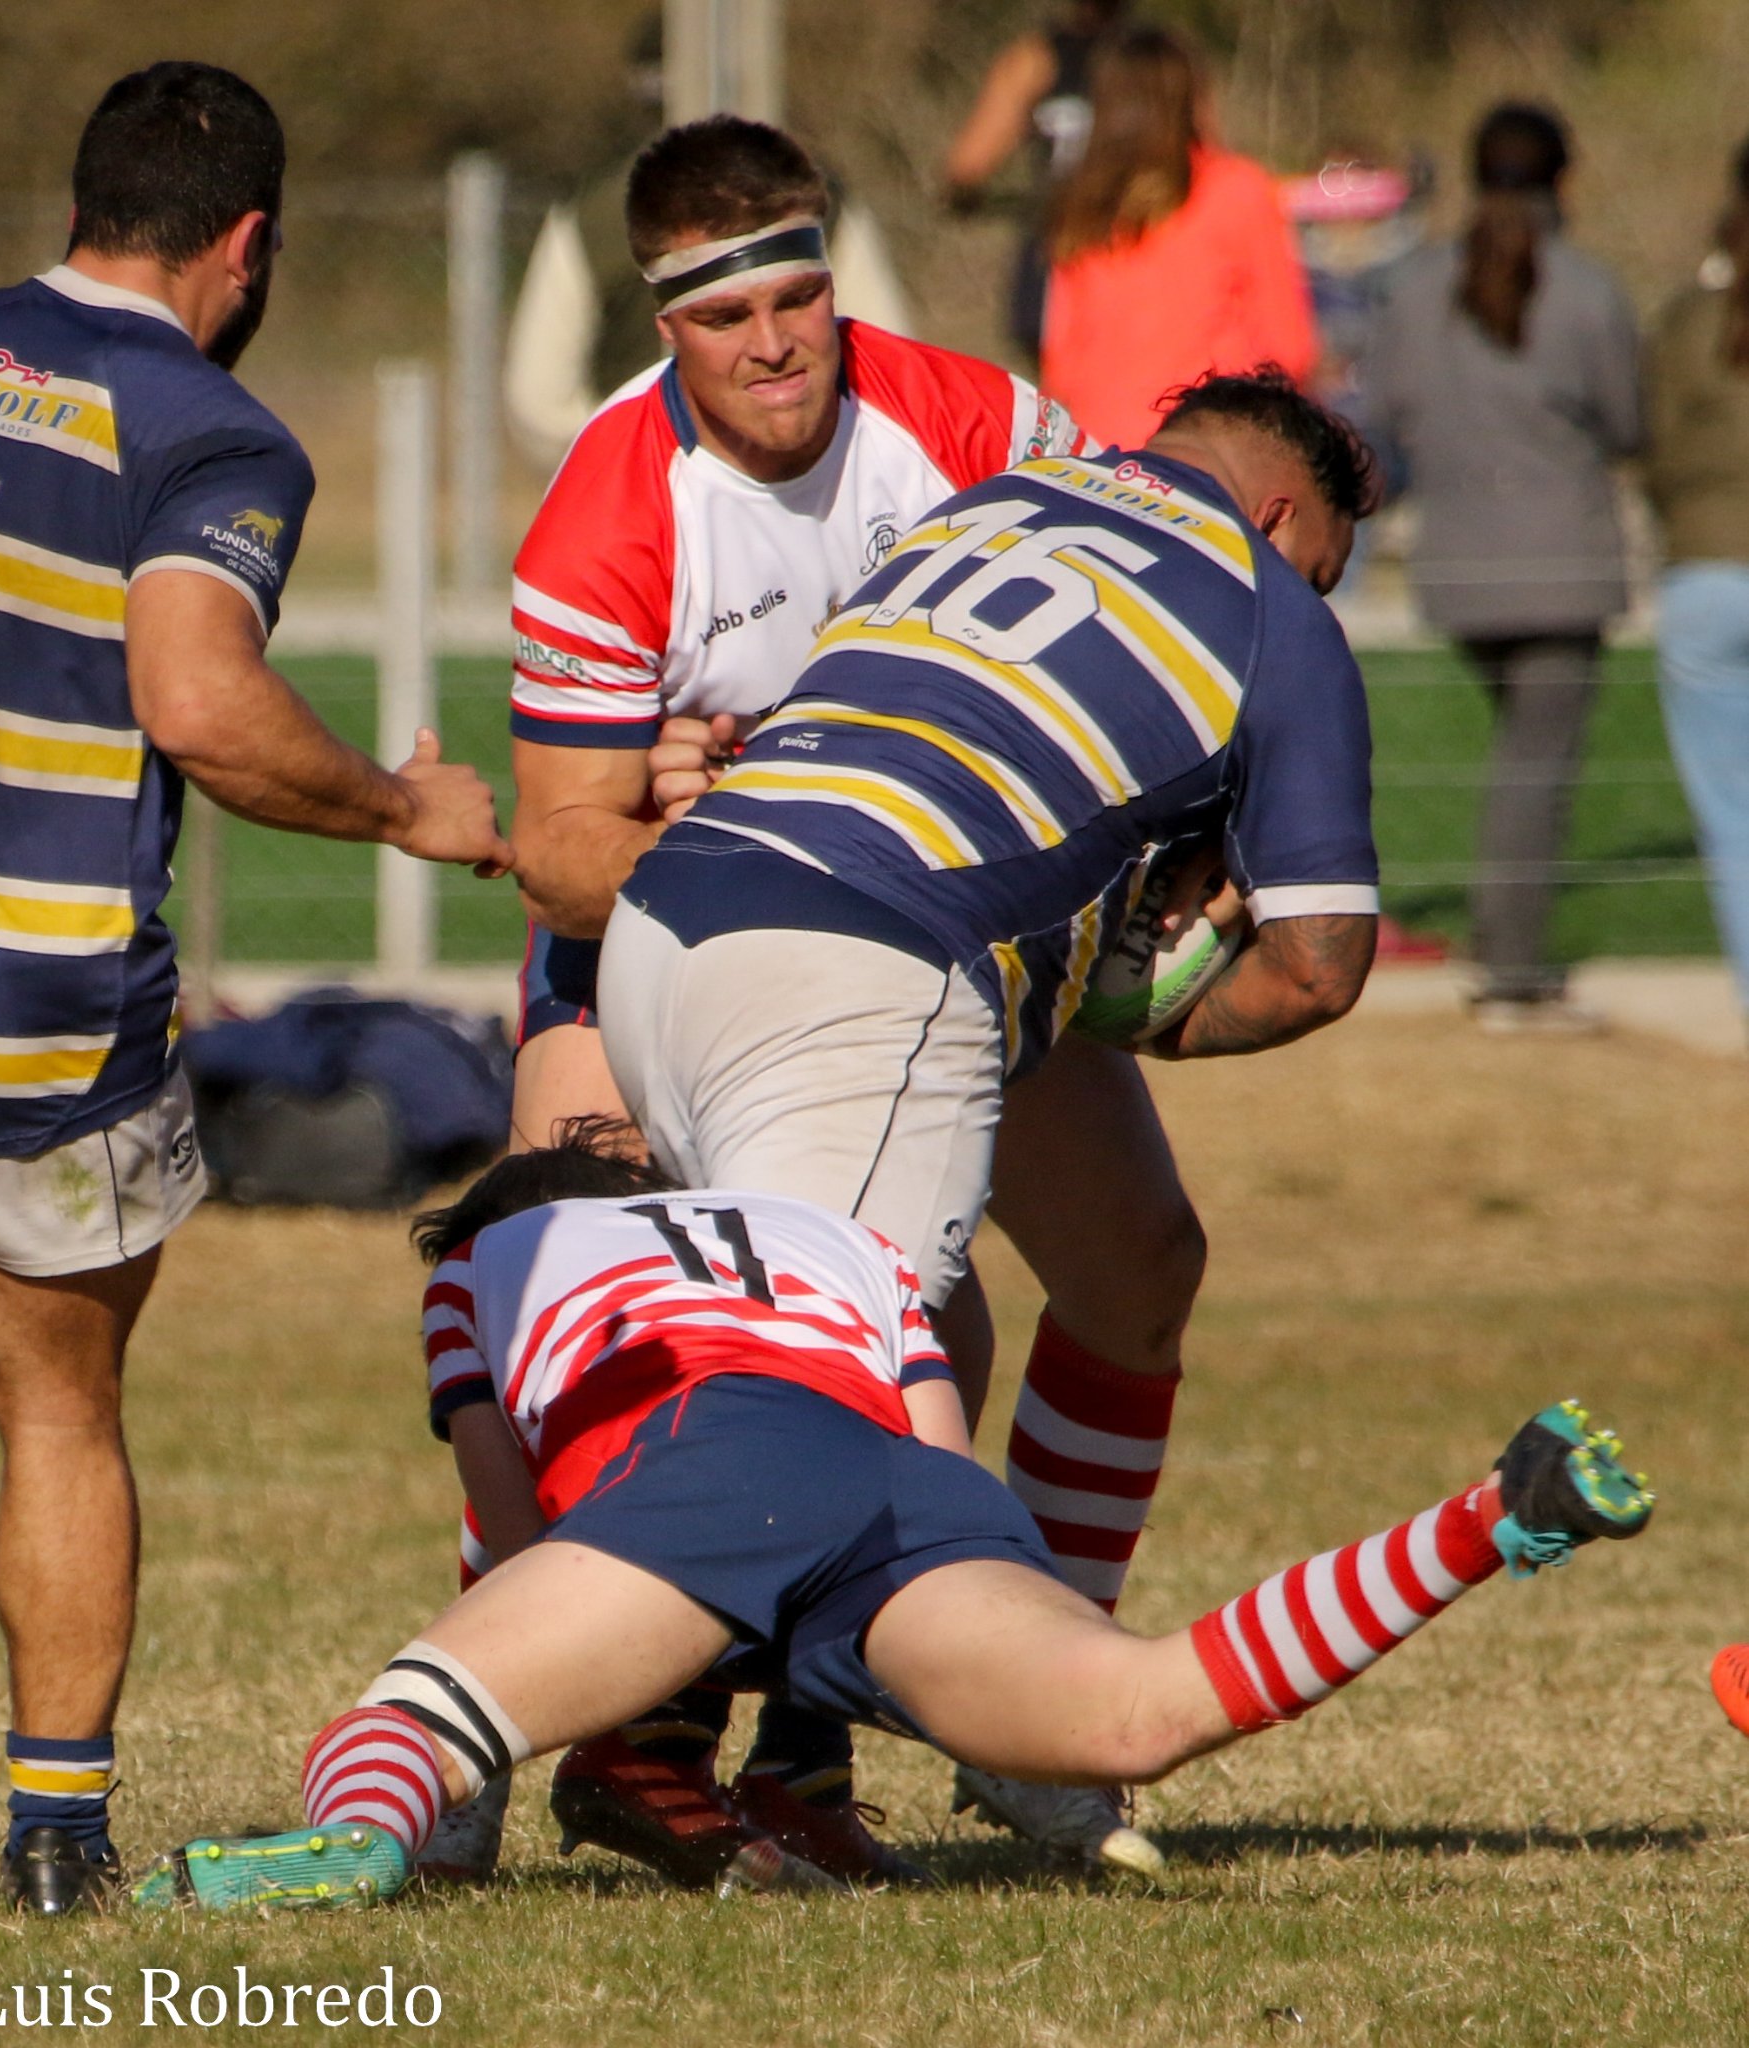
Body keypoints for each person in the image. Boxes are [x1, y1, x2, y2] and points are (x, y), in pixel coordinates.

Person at [131, 1127, 1657, 1914]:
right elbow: (938, 1457)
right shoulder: (837, 1240)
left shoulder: (491, 1263)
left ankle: (356, 1835)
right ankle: (1485, 1518)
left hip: (698, 1458)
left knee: (420, 1708)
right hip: (909, 1489)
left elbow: (509, 1516)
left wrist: (527, 1704)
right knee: (1137, 1707)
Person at [598, 367, 1383, 1852]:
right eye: (1324, 568)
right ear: (1282, 517)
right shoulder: (1268, 600)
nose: (1316, 593)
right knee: (835, 1402)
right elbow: (1317, 964)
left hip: (681, 923)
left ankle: (1009, 1708)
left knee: (1130, 1263)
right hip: (873, 962)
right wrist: (1136, 1004)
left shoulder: (982, 509)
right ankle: (644, 1738)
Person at [496, 110, 1103, 1889]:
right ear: (658, 324)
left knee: (1122, 1269)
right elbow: (557, 855)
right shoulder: (613, 505)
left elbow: (1137, 605)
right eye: (718, 314)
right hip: (649, 959)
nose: (771, 341)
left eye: (796, 293)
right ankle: (542, 1729)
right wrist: (721, 817)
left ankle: (966, 1708)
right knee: (560, 1312)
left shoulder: (981, 425)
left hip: (948, 938)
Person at [0, 62, 511, 1916]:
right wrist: (405, 805)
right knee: (54, 1413)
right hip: (32, 996)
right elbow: (198, 702)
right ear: (250, 246)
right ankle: (51, 1837)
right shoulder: (213, 434)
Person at [1365, 102, 1641, 1029]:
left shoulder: (1411, 290)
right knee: (1537, 765)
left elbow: (1387, 414)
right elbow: (1628, 422)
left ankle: (1509, 952)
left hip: (1455, 562)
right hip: (1562, 562)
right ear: (1564, 176)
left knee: (1522, 760)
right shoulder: (1588, 290)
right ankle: (1512, 974)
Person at [503, 18, 912, 474]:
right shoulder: (818, 200)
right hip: (786, 477)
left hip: (670, 482)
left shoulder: (590, 212)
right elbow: (889, 361)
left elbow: (540, 405)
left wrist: (626, 467)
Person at [1036, 27, 1317, 447]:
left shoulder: (1082, 205)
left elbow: (1060, 366)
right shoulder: (1238, 189)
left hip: (1101, 456)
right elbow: (1290, 350)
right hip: (1210, 452)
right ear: (1192, 98)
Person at [1643, 136, 1749, 1034]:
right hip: (1711, 567)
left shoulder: (1688, 322)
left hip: (1707, 574)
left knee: (1733, 813)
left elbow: (1658, 453)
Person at [942, 0, 1132, 361]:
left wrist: (962, 196)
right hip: (1135, 250)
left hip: (1059, 256)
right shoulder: (1161, 62)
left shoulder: (1036, 58)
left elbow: (968, 165)